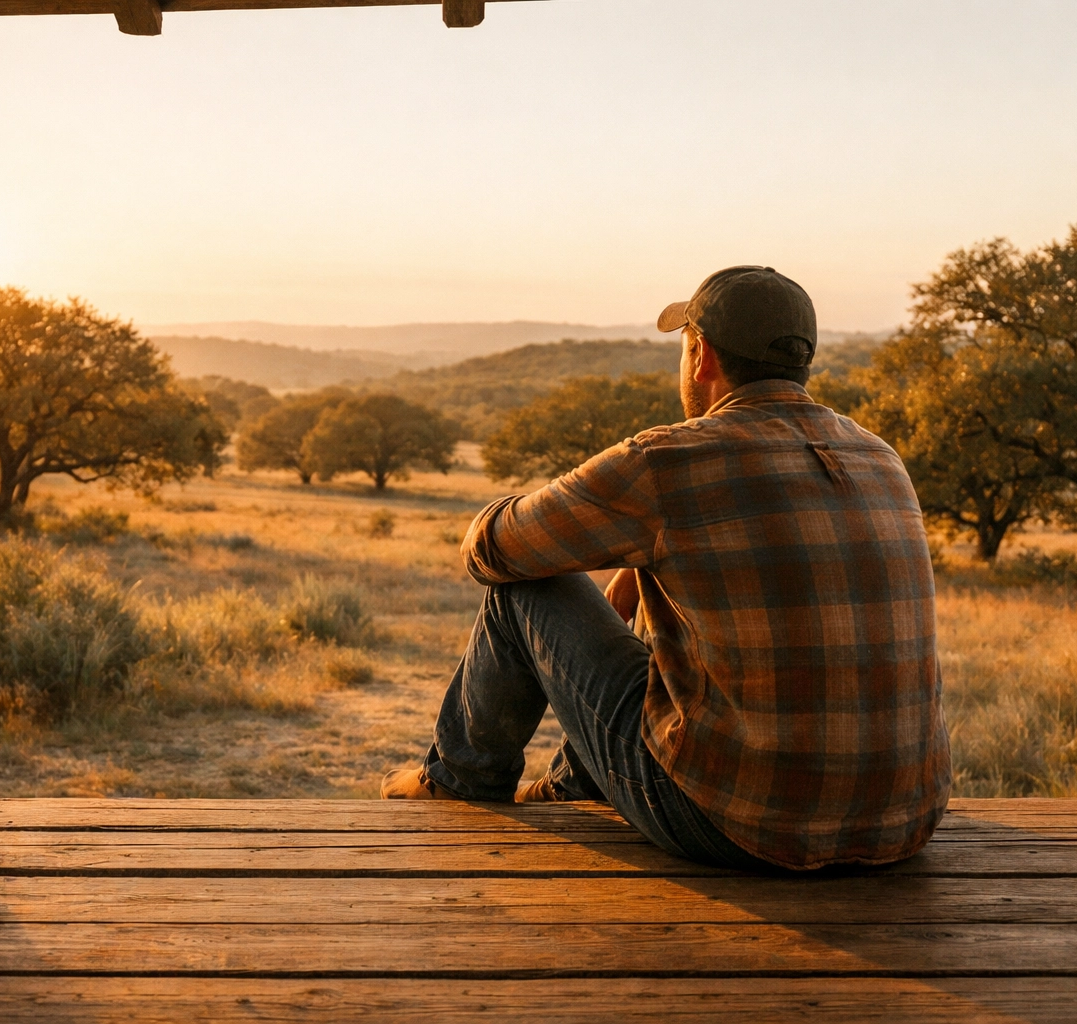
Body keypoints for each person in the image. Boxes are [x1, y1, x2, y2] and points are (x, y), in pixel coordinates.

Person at [380, 266, 951, 872]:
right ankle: (577, 787)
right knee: (680, 609)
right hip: (903, 819)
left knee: (528, 588)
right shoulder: (878, 455)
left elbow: (492, 550)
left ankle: (459, 779)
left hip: (734, 822)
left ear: (700, 354)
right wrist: (639, 562)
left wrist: (601, 526)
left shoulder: (667, 460)